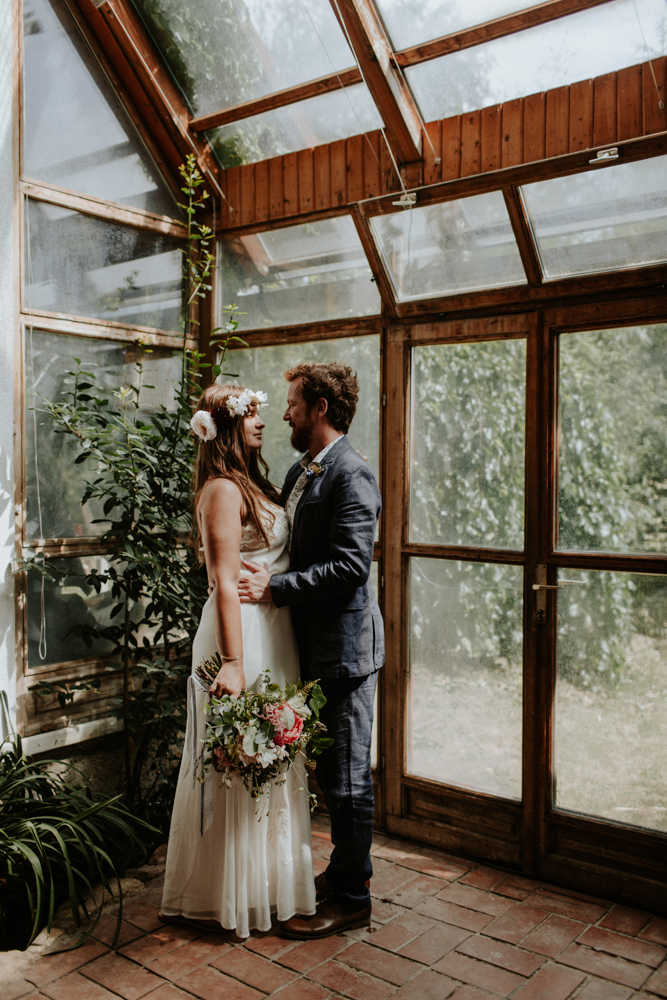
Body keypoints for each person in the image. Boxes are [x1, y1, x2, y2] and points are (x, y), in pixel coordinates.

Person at [160, 383, 316, 939]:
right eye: (251, 414)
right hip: (240, 637)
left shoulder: (255, 483)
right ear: (225, 426)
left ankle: (267, 887)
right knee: (236, 762)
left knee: (269, 755)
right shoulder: (223, 490)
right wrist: (231, 661)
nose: (262, 421)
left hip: (272, 634)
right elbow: (224, 581)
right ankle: (225, 895)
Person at [239, 362, 384, 939]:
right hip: (308, 648)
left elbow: (351, 568)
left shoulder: (352, 474)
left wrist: (273, 588)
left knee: (348, 782)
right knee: (327, 773)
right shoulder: (304, 468)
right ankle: (343, 871)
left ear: (320, 407)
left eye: (294, 403)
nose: (285, 413)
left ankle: (353, 898)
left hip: (345, 653)